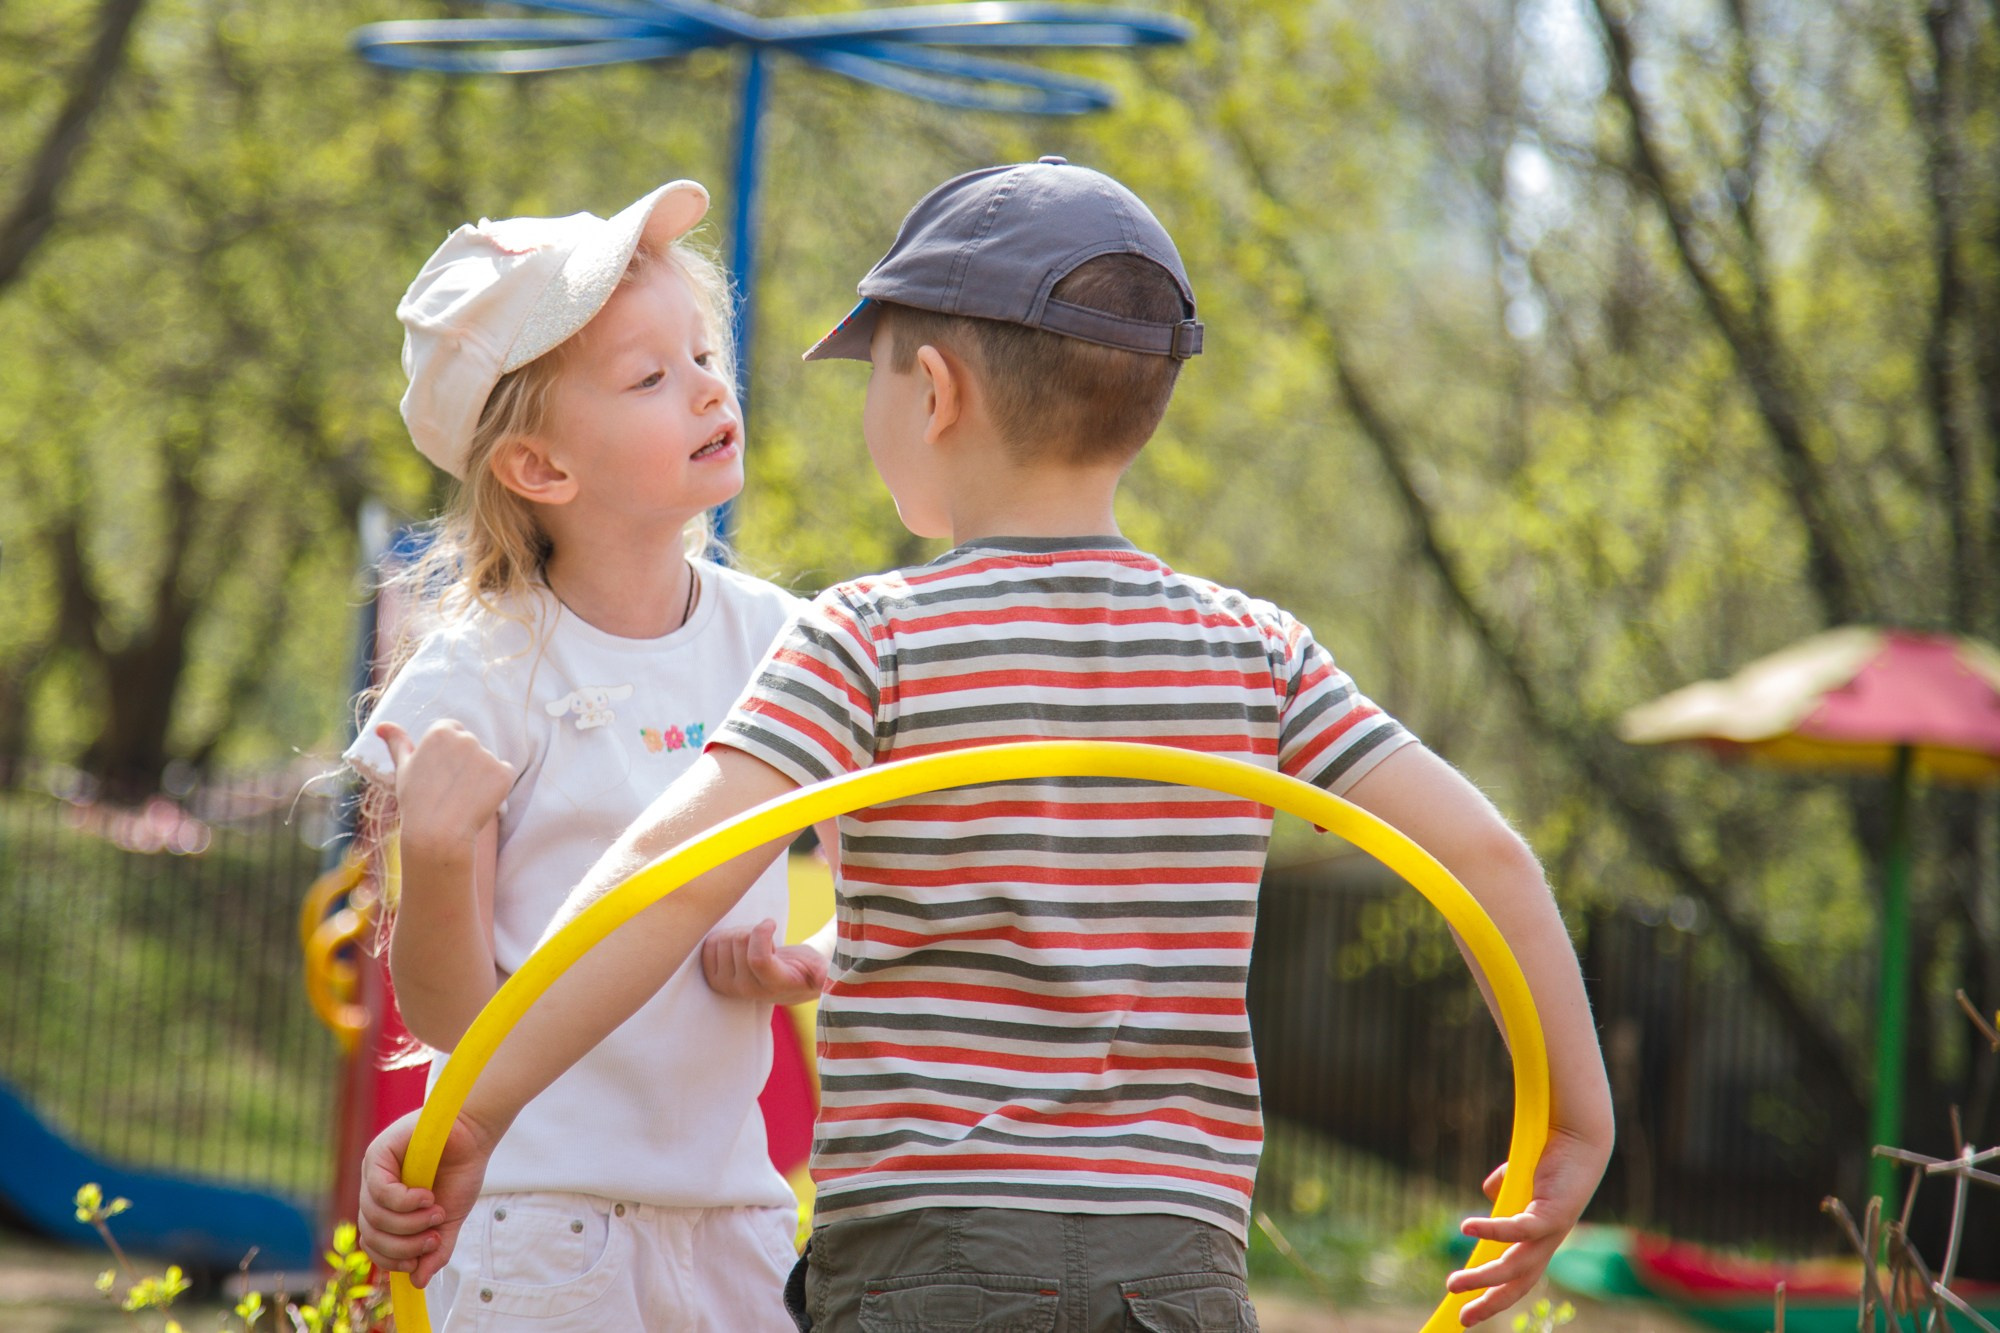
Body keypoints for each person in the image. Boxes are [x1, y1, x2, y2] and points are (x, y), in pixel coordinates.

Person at [357, 159, 1614, 1331]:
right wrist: (1570, 1112)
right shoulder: (1258, 649)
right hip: (1176, 1264)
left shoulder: (864, 639)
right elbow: (1487, 857)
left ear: (934, 396)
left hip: (923, 1253)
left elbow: (665, 879)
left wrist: (480, 1105)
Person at [346, 180, 827, 1332]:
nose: (711, 385)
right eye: (650, 377)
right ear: (540, 470)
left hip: (736, 1214)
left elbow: (900, 870)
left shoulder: (779, 639)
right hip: (539, 1221)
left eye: (703, 352)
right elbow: (457, 1017)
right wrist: (441, 854)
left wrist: (805, 953)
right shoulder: (478, 676)